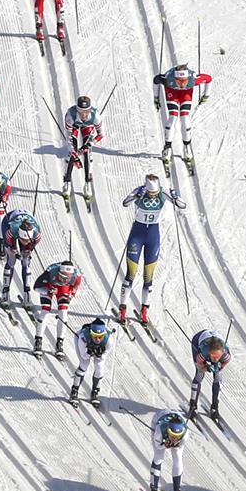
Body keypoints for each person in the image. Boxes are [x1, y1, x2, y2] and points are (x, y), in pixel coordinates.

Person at [119, 175, 185, 325]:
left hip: (153, 236)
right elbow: (125, 203)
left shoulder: (163, 192)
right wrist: (137, 195)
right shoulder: (140, 190)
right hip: (137, 234)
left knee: (148, 277)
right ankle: (122, 309)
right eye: (150, 193)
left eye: (154, 194)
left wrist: (175, 196)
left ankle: (144, 311)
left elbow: (182, 205)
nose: (152, 196)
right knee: (131, 273)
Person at [153, 63, 212, 166]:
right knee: (173, 117)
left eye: (184, 81)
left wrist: (206, 95)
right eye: (179, 81)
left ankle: (187, 147)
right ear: (175, 78)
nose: (181, 84)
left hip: (186, 93)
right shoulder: (168, 79)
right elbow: (156, 80)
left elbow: (209, 79)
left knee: (185, 118)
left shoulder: (192, 79)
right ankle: (167, 148)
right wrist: (156, 98)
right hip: (172, 90)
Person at [33, 261, 82, 359]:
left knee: (63, 313)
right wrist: (48, 291)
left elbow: (74, 288)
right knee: (45, 312)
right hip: (49, 286)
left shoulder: (77, 277)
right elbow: (36, 287)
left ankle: (60, 343)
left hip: (64, 289)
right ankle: (38, 341)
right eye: (63, 277)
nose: (65, 280)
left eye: (69, 278)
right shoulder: (50, 272)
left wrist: (70, 295)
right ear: (58, 272)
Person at [62, 95, 103, 203]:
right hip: (75, 125)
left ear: (90, 109)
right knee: (72, 151)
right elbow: (68, 137)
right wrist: (75, 155)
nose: (84, 115)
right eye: (80, 111)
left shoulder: (95, 116)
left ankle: (87, 182)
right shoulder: (71, 115)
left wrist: (90, 144)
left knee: (87, 153)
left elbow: (101, 135)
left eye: (86, 111)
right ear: (77, 109)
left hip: (88, 126)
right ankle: (67, 182)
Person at [188, 329, 232, 420]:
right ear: (209, 353)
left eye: (217, 357)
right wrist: (206, 367)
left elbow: (223, 364)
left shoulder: (226, 356)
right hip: (198, 340)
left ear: (221, 353)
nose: (215, 359)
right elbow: (200, 366)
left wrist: (218, 366)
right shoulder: (203, 353)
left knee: (218, 377)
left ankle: (215, 407)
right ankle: (193, 405)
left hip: (214, 343)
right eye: (213, 356)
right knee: (199, 375)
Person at [0, 208, 42, 304]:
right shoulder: (11, 231)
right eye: (23, 240)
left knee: (26, 261)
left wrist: (28, 250)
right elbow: (10, 245)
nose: (25, 242)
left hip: (26, 223)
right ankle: (5, 292)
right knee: (11, 260)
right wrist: (13, 248)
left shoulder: (37, 235)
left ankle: (27, 293)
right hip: (8, 221)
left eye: (27, 240)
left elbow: (30, 247)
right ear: (19, 235)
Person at [69, 318, 114, 407]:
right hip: (84, 346)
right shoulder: (83, 337)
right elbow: (84, 356)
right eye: (94, 336)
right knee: (84, 365)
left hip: (94, 348)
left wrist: (100, 354)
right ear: (90, 333)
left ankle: (95, 392)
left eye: (100, 337)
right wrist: (90, 352)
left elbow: (105, 355)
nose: (97, 339)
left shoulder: (109, 339)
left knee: (99, 368)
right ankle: (74, 390)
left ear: (104, 334)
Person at [149, 409, 189, 491]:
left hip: (174, 418)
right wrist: (164, 445)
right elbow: (158, 446)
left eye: (177, 436)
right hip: (158, 418)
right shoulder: (159, 430)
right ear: (168, 431)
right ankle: (154, 490)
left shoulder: (185, 435)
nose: (174, 439)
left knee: (178, 459)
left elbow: (179, 444)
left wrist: (174, 444)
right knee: (158, 457)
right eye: (172, 436)